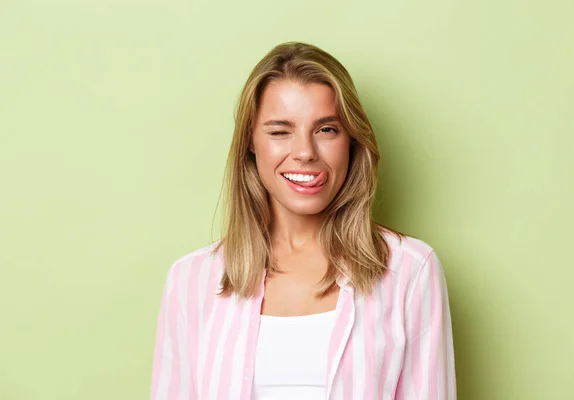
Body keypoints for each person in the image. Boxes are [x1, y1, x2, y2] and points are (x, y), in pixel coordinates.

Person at [150, 41, 456, 400]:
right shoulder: (191, 280)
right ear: (251, 142)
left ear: (351, 140)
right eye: (280, 131)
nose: (305, 152)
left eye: (326, 129)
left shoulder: (409, 272)